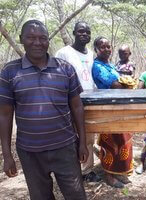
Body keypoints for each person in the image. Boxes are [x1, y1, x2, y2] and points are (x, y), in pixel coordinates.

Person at [0, 20, 88, 200]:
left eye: (43, 38)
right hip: (30, 152)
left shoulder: (65, 68)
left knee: (76, 195)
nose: (37, 42)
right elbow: (5, 114)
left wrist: (82, 143)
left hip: (65, 147)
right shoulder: (9, 72)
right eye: (31, 38)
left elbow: (77, 107)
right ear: (21, 39)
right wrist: (7, 155)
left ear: (48, 40)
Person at [55, 21, 100, 182]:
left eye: (87, 32)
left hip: (89, 102)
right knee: (70, 138)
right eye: (81, 31)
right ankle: (71, 171)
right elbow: (55, 78)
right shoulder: (63, 53)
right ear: (74, 33)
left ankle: (87, 171)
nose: (84, 35)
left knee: (87, 138)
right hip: (69, 103)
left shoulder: (89, 54)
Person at [92, 36, 133, 188]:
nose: (107, 49)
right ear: (96, 49)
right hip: (107, 108)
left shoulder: (109, 65)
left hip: (119, 107)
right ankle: (108, 175)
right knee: (109, 142)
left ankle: (118, 171)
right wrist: (130, 85)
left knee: (121, 140)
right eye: (103, 47)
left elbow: (122, 81)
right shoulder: (97, 66)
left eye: (109, 47)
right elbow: (115, 85)